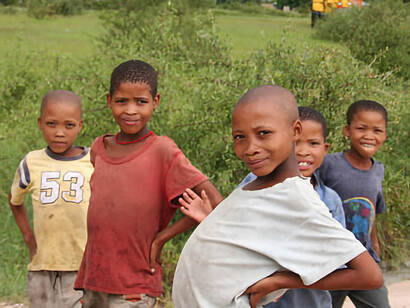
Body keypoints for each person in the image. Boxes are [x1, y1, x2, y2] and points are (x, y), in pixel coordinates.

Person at [172, 85, 383, 308]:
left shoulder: (298, 200)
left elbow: (369, 275)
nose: (250, 148)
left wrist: (280, 281)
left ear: (295, 131)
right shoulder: (255, 184)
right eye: (239, 137)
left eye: (264, 133)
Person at [74, 59, 223, 308]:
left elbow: (215, 202)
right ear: (109, 100)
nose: (131, 110)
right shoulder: (99, 148)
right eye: (122, 101)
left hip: (136, 283)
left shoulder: (162, 151)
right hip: (95, 278)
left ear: (155, 102)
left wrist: (161, 239)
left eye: (141, 102)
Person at [9, 90, 93, 308]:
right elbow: (14, 200)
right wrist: (28, 237)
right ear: (40, 123)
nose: (59, 133)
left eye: (69, 125)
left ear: (80, 126)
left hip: (81, 266)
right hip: (42, 264)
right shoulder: (31, 162)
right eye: (51, 124)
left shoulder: (93, 162)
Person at [318, 100, 390, 308]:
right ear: (347, 131)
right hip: (332, 262)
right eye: (361, 128)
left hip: (364, 259)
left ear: (385, 135)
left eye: (377, 130)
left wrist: (375, 245)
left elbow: (372, 210)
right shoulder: (329, 164)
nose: (369, 135)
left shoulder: (378, 170)